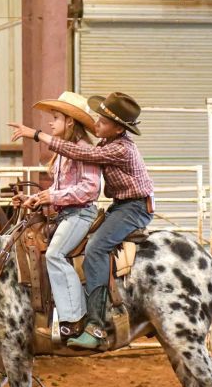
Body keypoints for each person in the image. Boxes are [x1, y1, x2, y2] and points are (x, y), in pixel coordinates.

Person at [9, 92, 154, 350]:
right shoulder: (104, 144)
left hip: (134, 207)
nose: (97, 124)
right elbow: (65, 175)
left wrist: (36, 134)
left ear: (118, 128)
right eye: (98, 118)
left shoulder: (119, 148)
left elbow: (80, 161)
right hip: (121, 205)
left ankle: (95, 326)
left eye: (103, 121)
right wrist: (38, 198)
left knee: (95, 248)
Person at [13, 92, 101, 338]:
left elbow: (90, 188)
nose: (51, 123)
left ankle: (74, 319)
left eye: (56, 118)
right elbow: (59, 189)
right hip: (67, 214)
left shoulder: (84, 150)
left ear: (70, 121)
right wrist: (35, 198)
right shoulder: (62, 153)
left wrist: (52, 197)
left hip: (80, 214)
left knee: (55, 254)